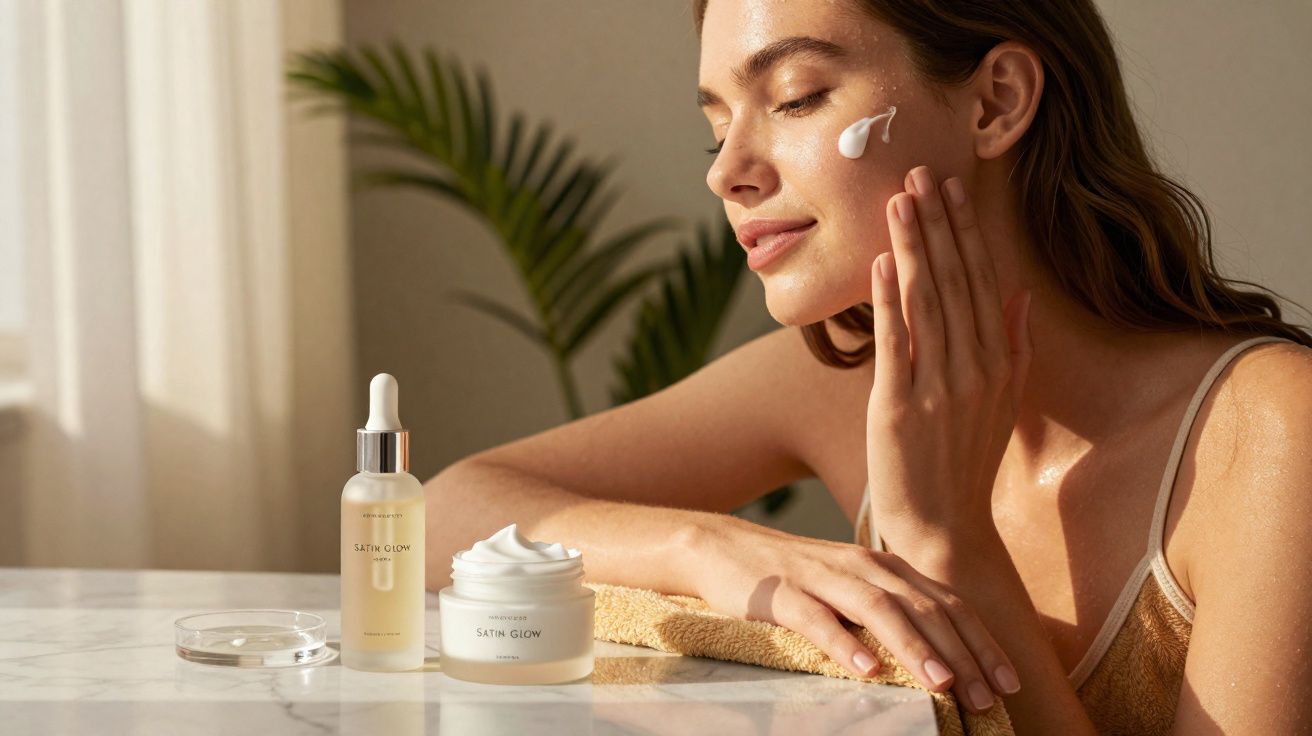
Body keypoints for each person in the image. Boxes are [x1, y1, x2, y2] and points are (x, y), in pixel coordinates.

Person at [425, 1, 1312, 732]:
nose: (727, 172)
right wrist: (710, 550)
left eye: (797, 97)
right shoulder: (847, 382)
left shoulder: (1270, 431)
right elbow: (441, 519)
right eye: (716, 127)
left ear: (996, 103)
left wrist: (945, 539)